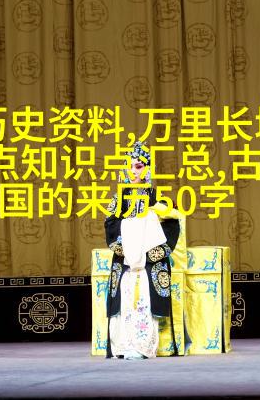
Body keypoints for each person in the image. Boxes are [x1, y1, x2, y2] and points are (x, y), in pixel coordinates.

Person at [103, 141, 181, 359]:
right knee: (124, 300)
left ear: (147, 169)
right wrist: (129, 243)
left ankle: (142, 346)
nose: (133, 171)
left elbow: (172, 224)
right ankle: (122, 346)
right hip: (126, 261)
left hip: (149, 262)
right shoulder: (119, 199)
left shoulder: (157, 198)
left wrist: (151, 249)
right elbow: (110, 225)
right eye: (129, 166)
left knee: (144, 299)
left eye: (138, 166)